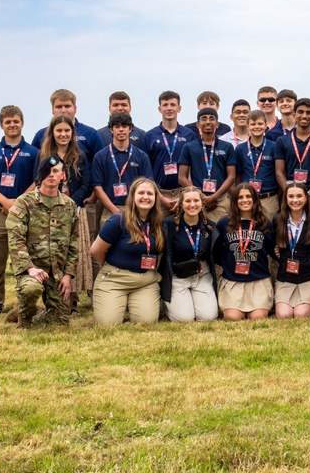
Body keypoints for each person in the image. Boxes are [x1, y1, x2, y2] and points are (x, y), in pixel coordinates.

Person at [0, 105, 40, 315]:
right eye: (8, 122)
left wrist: (18, 203)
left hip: (25, 213)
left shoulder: (33, 152)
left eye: (16, 121)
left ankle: (25, 301)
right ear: (1, 125)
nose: (12, 125)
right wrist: (5, 201)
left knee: (24, 259)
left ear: (22, 123)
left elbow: (37, 181)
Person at [6, 156, 80, 328]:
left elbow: (74, 244)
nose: (51, 175)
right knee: (31, 289)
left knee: (59, 324)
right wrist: (29, 268)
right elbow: (15, 239)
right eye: (47, 171)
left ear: (63, 176)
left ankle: (36, 312)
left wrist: (68, 275)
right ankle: (24, 316)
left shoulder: (69, 206)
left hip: (57, 273)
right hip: (31, 269)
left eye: (56, 171)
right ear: (40, 175)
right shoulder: (24, 202)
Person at [90, 177, 165, 325]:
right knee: (107, 324)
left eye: (150, 194)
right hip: (115, 279)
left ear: (156, 198)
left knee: (146, 322)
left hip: (146, 281)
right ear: (132, 196)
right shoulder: (118, 220)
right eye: (141, 193)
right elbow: (96, 250)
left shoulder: (158, 223)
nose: (145, 197)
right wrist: (112, 264)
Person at [38, 114, 94, 303]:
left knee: (74, 252)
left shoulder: (80, 156)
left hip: (74, 209)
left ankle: (72, 297)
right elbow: (38, 180)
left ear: (72, 133)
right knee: (53, 252)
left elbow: (86, 184)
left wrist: (72, 203)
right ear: (52, 133)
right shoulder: (44, 156)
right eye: (59, 130)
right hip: (49, 209)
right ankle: (53, 297)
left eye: (67, 131)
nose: (63, 134)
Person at [212, 183, 275, 321]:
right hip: (233, 281)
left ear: (255, 200)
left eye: (248, 196)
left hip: (258, 280)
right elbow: (216, 251)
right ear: (234, 201)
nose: (244, 200)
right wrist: (227, 263)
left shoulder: (265, 224)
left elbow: (272, 250)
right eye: (240, 197)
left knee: (258, 317)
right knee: (232, 317)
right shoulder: (224, 223)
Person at [160, 187, 218, 322]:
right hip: (178, 276)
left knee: (207, 317)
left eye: (196, 200)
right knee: (184, 319)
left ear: (202, 203)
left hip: (201, 276)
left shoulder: (210, 227)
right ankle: (169, 304)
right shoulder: (168, 225)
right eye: (188, 201)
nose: (192, 205)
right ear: (181, 204)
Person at [140, 91, 199, 212]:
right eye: (165, 105)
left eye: (173, 105)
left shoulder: (189, 134)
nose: (169, 108)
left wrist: (187, 193)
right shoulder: (150, 136)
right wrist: (159, 197)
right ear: (159, 108)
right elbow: (145, 170)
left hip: (183, 193)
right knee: (159, 230)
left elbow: (193, 167)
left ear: (179, 108)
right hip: (158, 193)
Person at [92, 112, 154, 226]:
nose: (121, 130)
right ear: (111, 130)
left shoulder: (141, 156)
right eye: (117, 126)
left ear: (130, 129)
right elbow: (97, 188)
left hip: (136, 210)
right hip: (109, 211)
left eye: (124, 126)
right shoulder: (100, 156)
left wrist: (135, 209)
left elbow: (148, 184)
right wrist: (115, 211)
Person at [272, 183, 310, 319]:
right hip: (285, 278)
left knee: (301, 315)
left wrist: (305, 256)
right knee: (283, 315)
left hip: (308, 277)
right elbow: (273, 244)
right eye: (291, 196)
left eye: (299, 196)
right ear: (285, 199)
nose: (295, 200)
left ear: (306, 198)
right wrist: (282, 255)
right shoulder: (278, 220)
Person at [274, 98, 310, 218]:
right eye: (300, 112)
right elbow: (279, 172)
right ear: (294, 114)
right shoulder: (282, 141)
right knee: (289, 227)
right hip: (290, 193)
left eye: (308, 113)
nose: (304, 115)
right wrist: (290, 193)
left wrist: (309, 194)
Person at [179, 108, 238, 222]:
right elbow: (181, 178)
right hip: (196, 199)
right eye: (203, 118)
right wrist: (200, 196)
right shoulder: (189, 147)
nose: (208, 122)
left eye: (212, 118)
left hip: (220, 200)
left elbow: (231, 177)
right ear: (198, 124)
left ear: (217, 124)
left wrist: (214, 197)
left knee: (219, 235)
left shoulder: (227, 147)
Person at [236, 110, 281, 219]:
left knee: (269, 232)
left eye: (260, 124)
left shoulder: (274, 147)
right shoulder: (240, 149)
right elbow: (237, 176)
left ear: (266, 125)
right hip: (247, 200)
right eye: (253, 124)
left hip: (268, 199)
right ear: (248, 127)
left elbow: (279, 173)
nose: (257, 127)